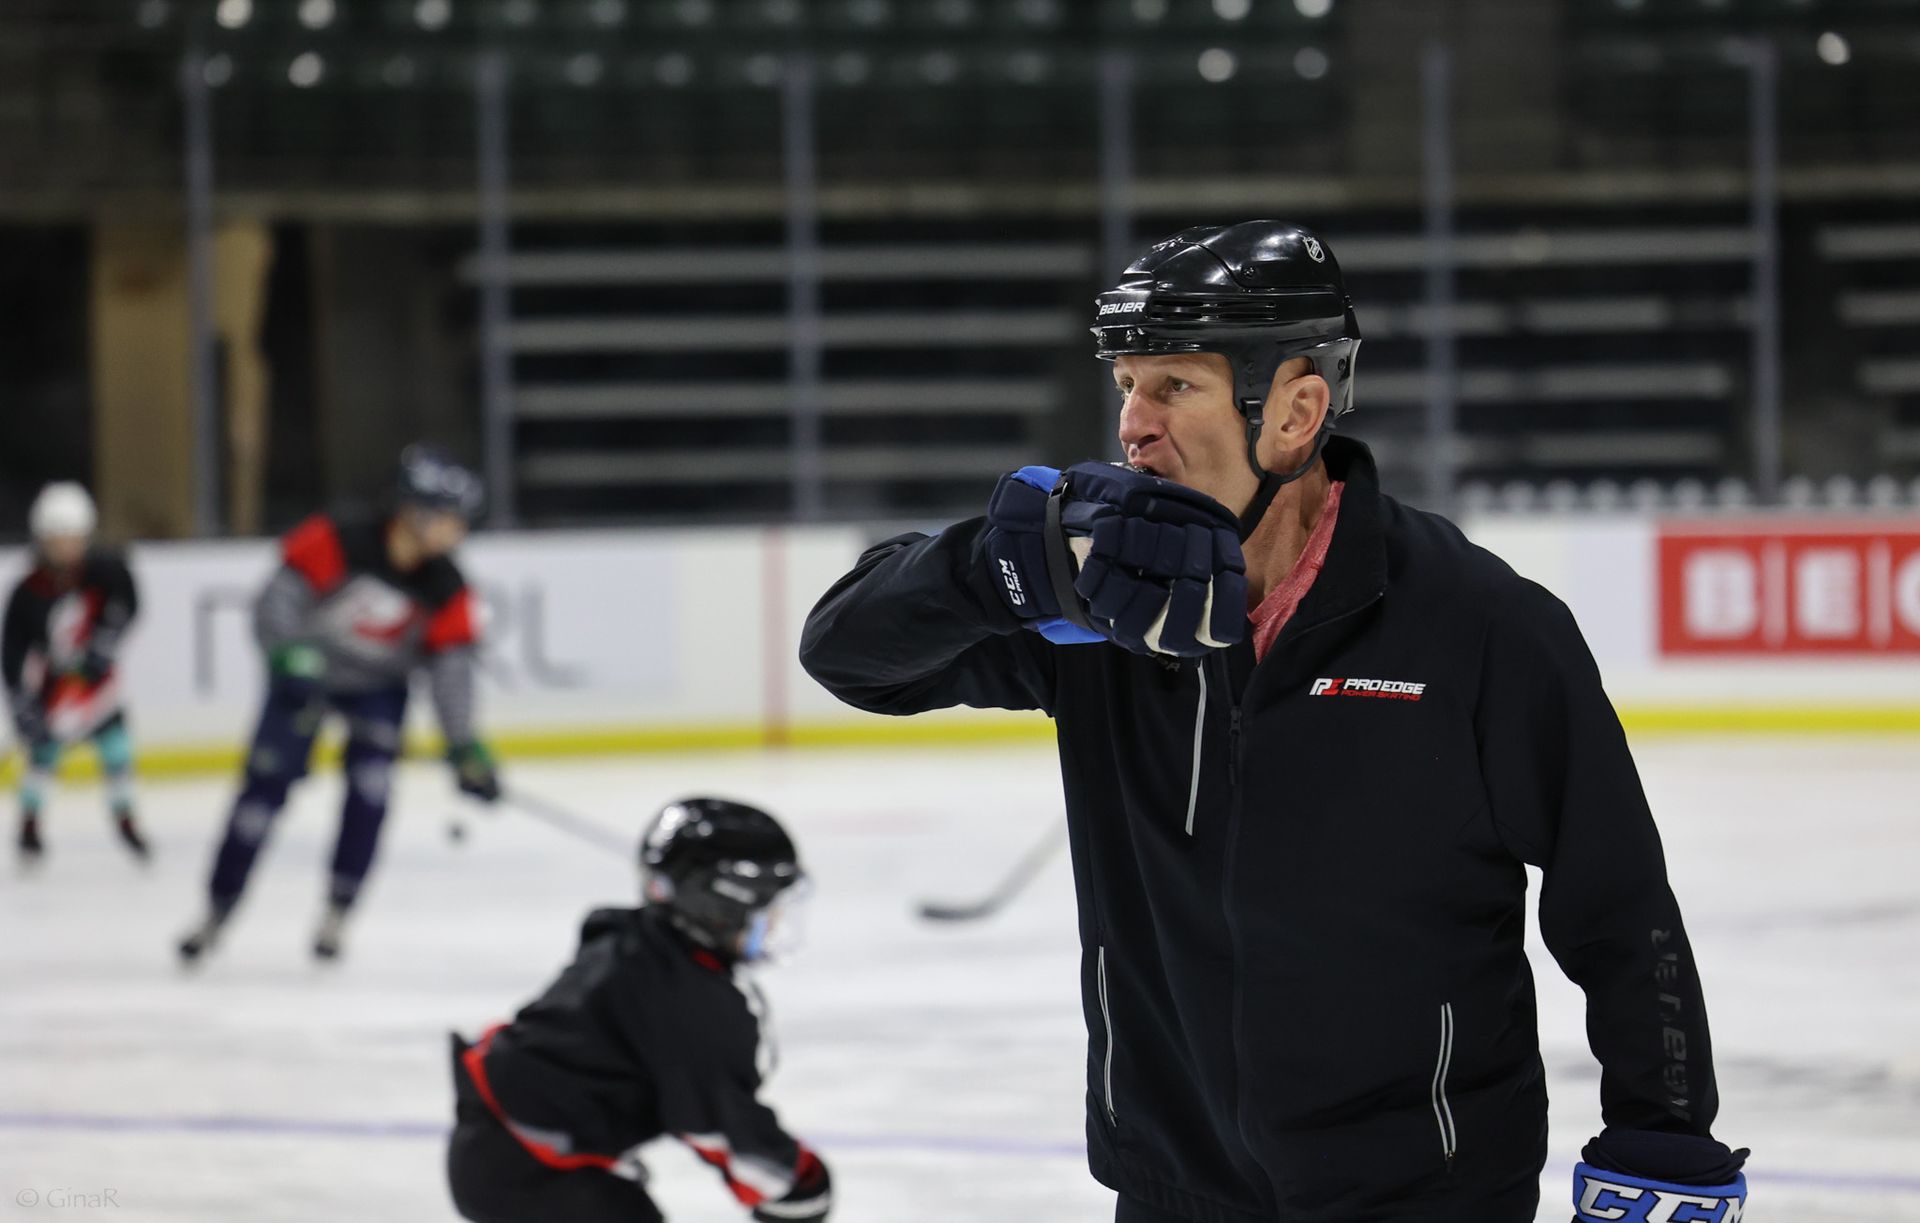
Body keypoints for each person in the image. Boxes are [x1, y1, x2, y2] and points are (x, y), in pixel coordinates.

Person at [800, 221, 1747, 1222]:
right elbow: (849, 655)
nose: (1133, 424)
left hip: (1428, 1187)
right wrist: (991, 566)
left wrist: (1666, 1125)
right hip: (1175, 1186)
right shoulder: (1094, 611)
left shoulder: (1475, 624)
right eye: (1127, 384)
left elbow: (1618, 896)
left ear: (1296, 409)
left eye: (1174, 386)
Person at [178, 444, 501, 964]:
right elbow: (277, 602)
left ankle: (337, 911)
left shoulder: (447, 586)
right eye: (450, 519)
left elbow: (452, 672)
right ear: (415, 512)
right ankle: (217, 909)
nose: (458, 532)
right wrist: (290, 658)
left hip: (378, 689)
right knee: (262, 795)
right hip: (304, 677)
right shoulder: (339, 539)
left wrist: (464, 745)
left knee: (371, 795)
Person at [446, 796, 829, 1223]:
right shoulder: (686, 998)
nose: (774, 925)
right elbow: (715, 1121)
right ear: (721, 907)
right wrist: (796, 1181)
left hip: (504, 1147)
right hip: (532, 1170)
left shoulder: (641, 946)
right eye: (766, 909)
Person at [3, 482, 146, 864]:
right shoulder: (28, 590)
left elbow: (129, 601)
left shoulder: (105, 572)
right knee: (43, 755)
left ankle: (126, 822)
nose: (65, 547)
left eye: (73, 538)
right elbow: (12, 649)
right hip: (54, 687)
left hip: (95, 683)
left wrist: (107, 639)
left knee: (117, 749)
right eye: (57, 539)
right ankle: (30, 825)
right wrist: (19, 698)